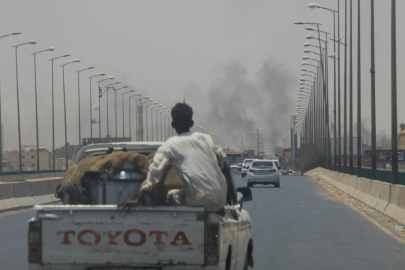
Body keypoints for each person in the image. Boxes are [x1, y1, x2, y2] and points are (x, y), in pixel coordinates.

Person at [120, 102, 228, 211]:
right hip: (222, 198)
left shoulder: (170, 144)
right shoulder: (206, 138)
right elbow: (223, 161)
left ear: (173, 125)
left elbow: (154, 173)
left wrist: (137, 200)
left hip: (199, 200)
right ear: (191, 123)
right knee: (187, 193)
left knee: (172, 195)